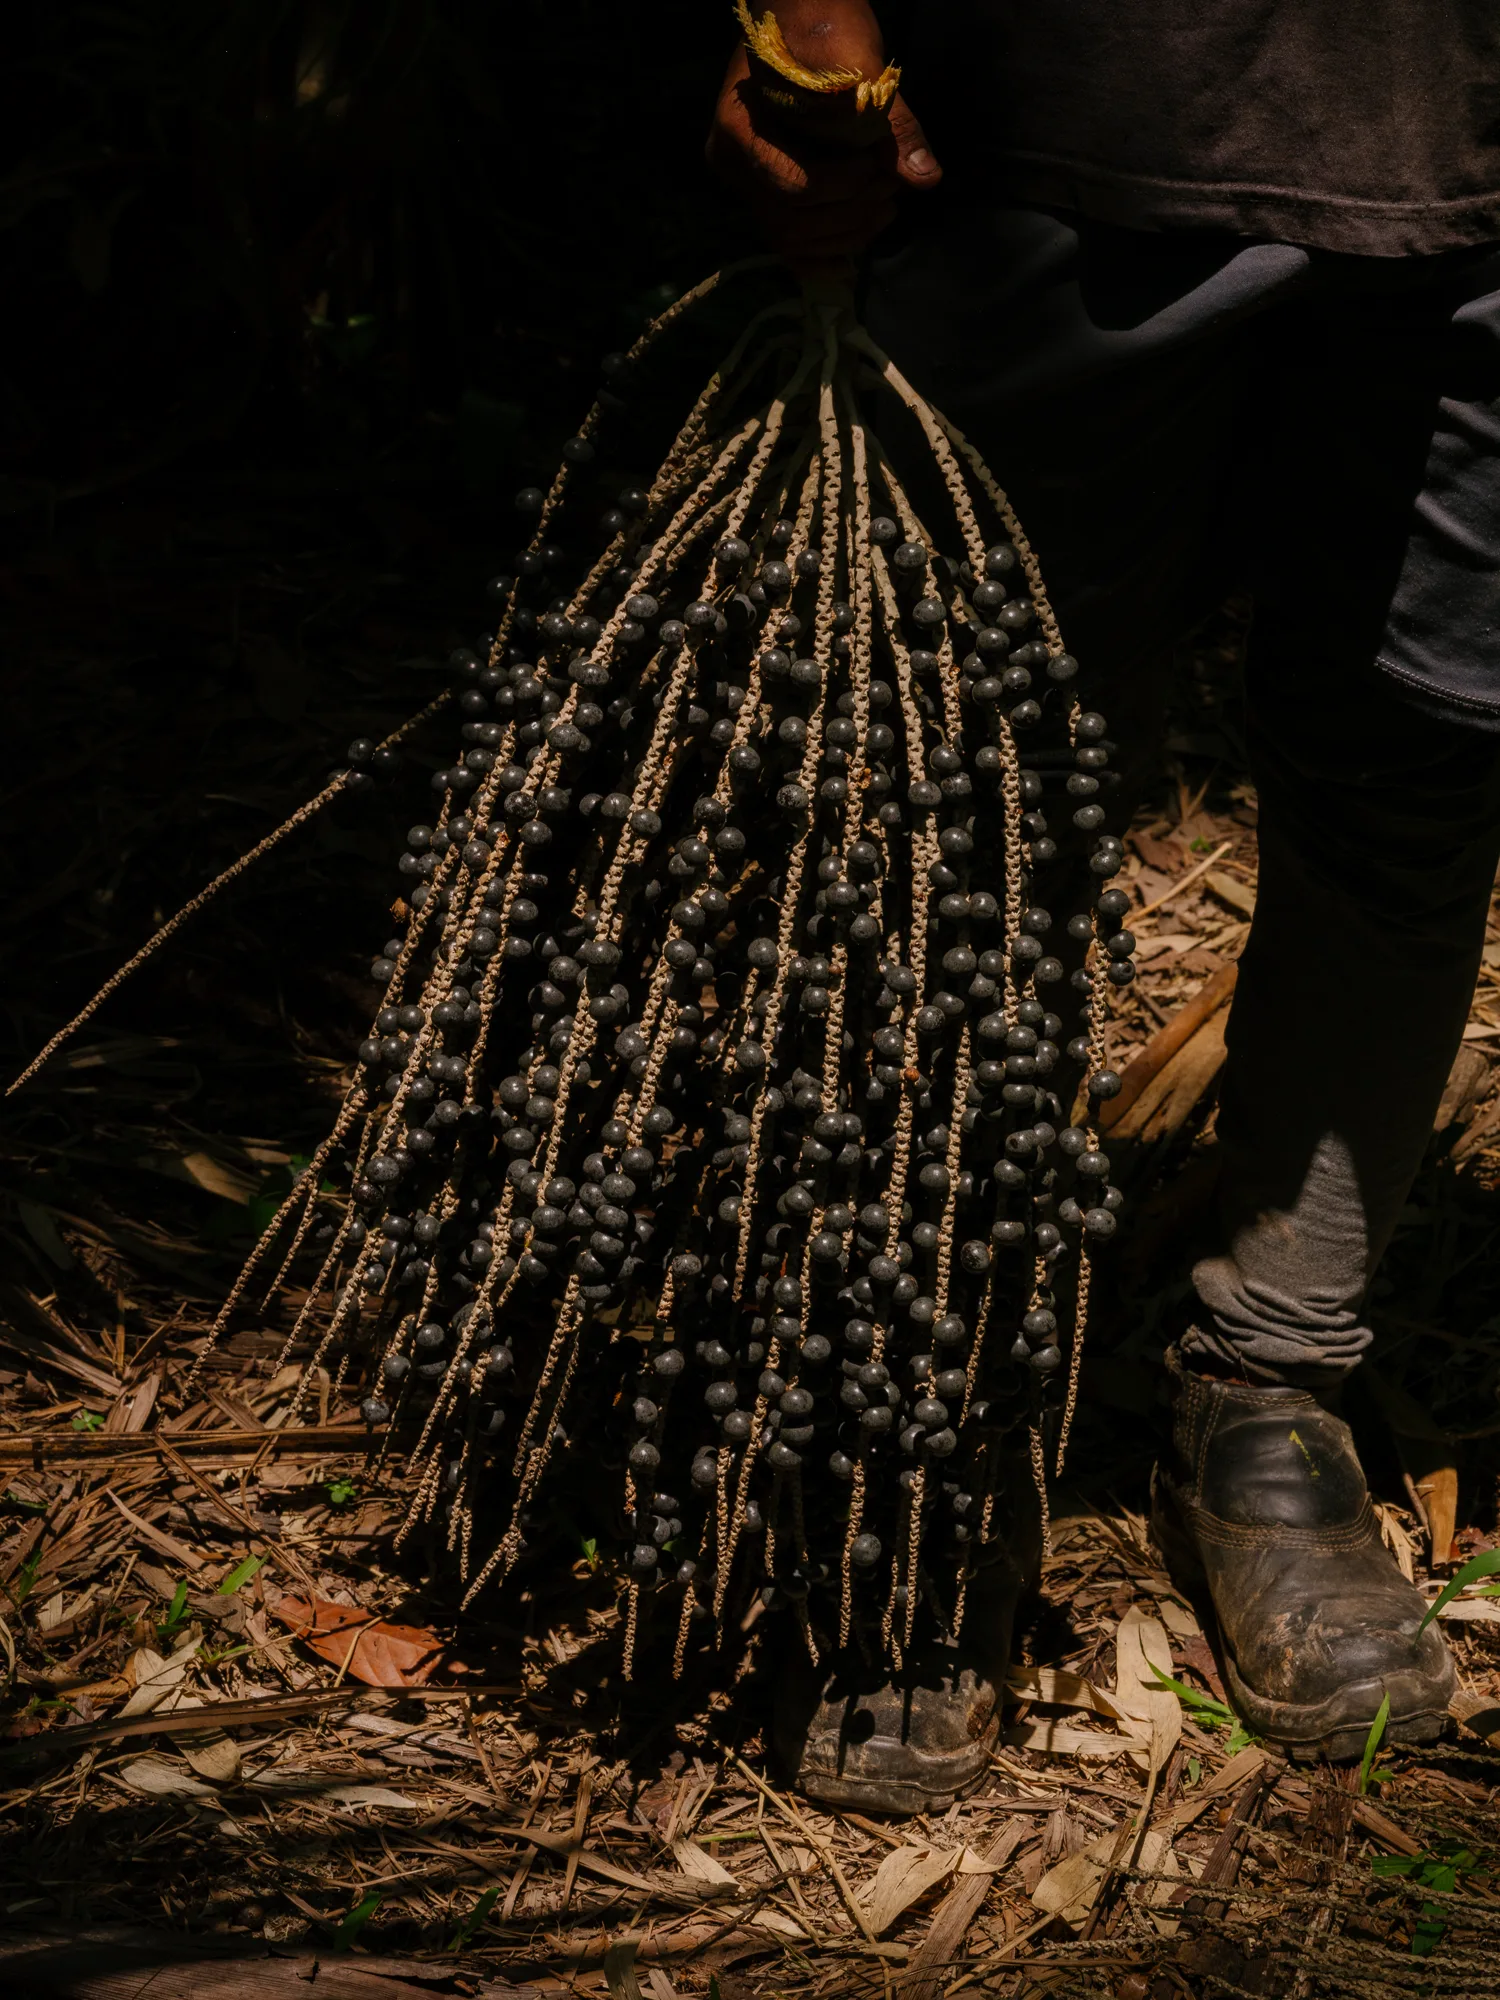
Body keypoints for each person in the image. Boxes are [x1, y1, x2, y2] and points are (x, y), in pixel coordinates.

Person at [710, 0, 1500, 1804]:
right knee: (956, 795)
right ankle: (926, 1430)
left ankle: (1268, 1387)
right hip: (1076, 114)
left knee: (1413, 774)